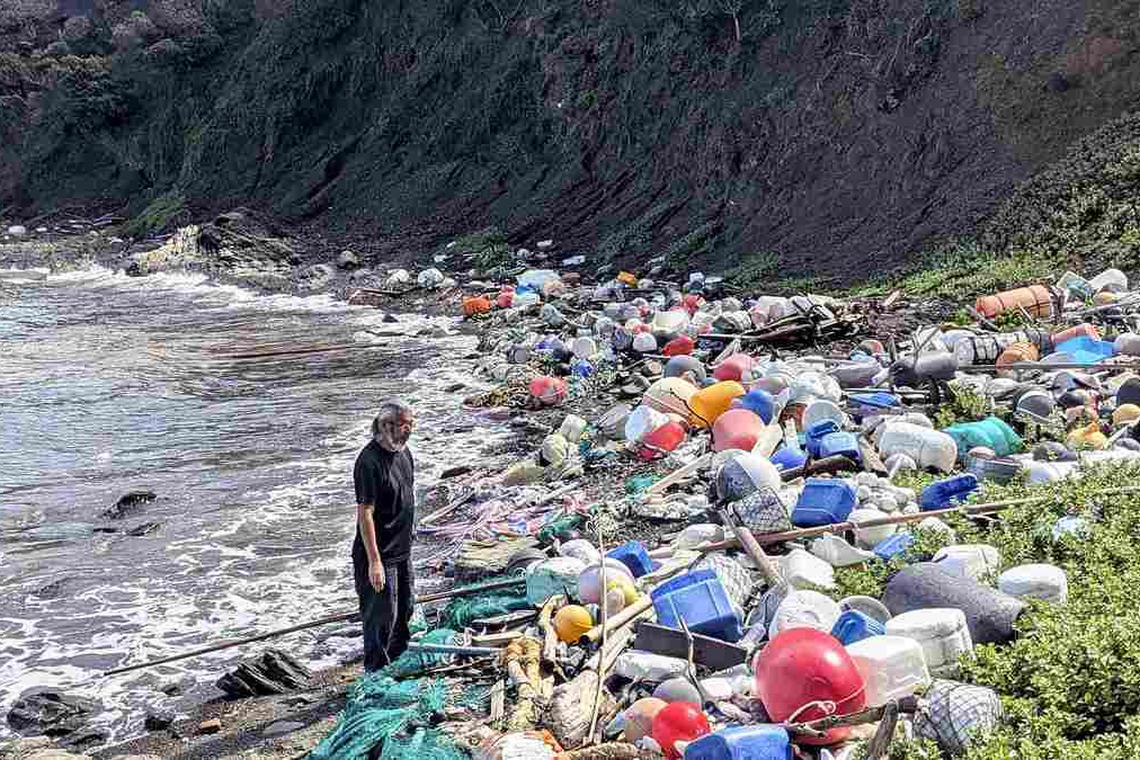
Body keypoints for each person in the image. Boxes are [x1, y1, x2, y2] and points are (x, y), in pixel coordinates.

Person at [353, 400, 416, 671]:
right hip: (380, 555)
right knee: (382, 619)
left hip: (402, 550)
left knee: (405, 611)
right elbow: (365, 513)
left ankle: (398, 666)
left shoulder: (404, 453)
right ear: (386, 426)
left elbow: (406, 493)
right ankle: (376, 673)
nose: (408, 431)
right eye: (404, 426)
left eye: (410, 425)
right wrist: (374, 562)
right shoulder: (368, 462)